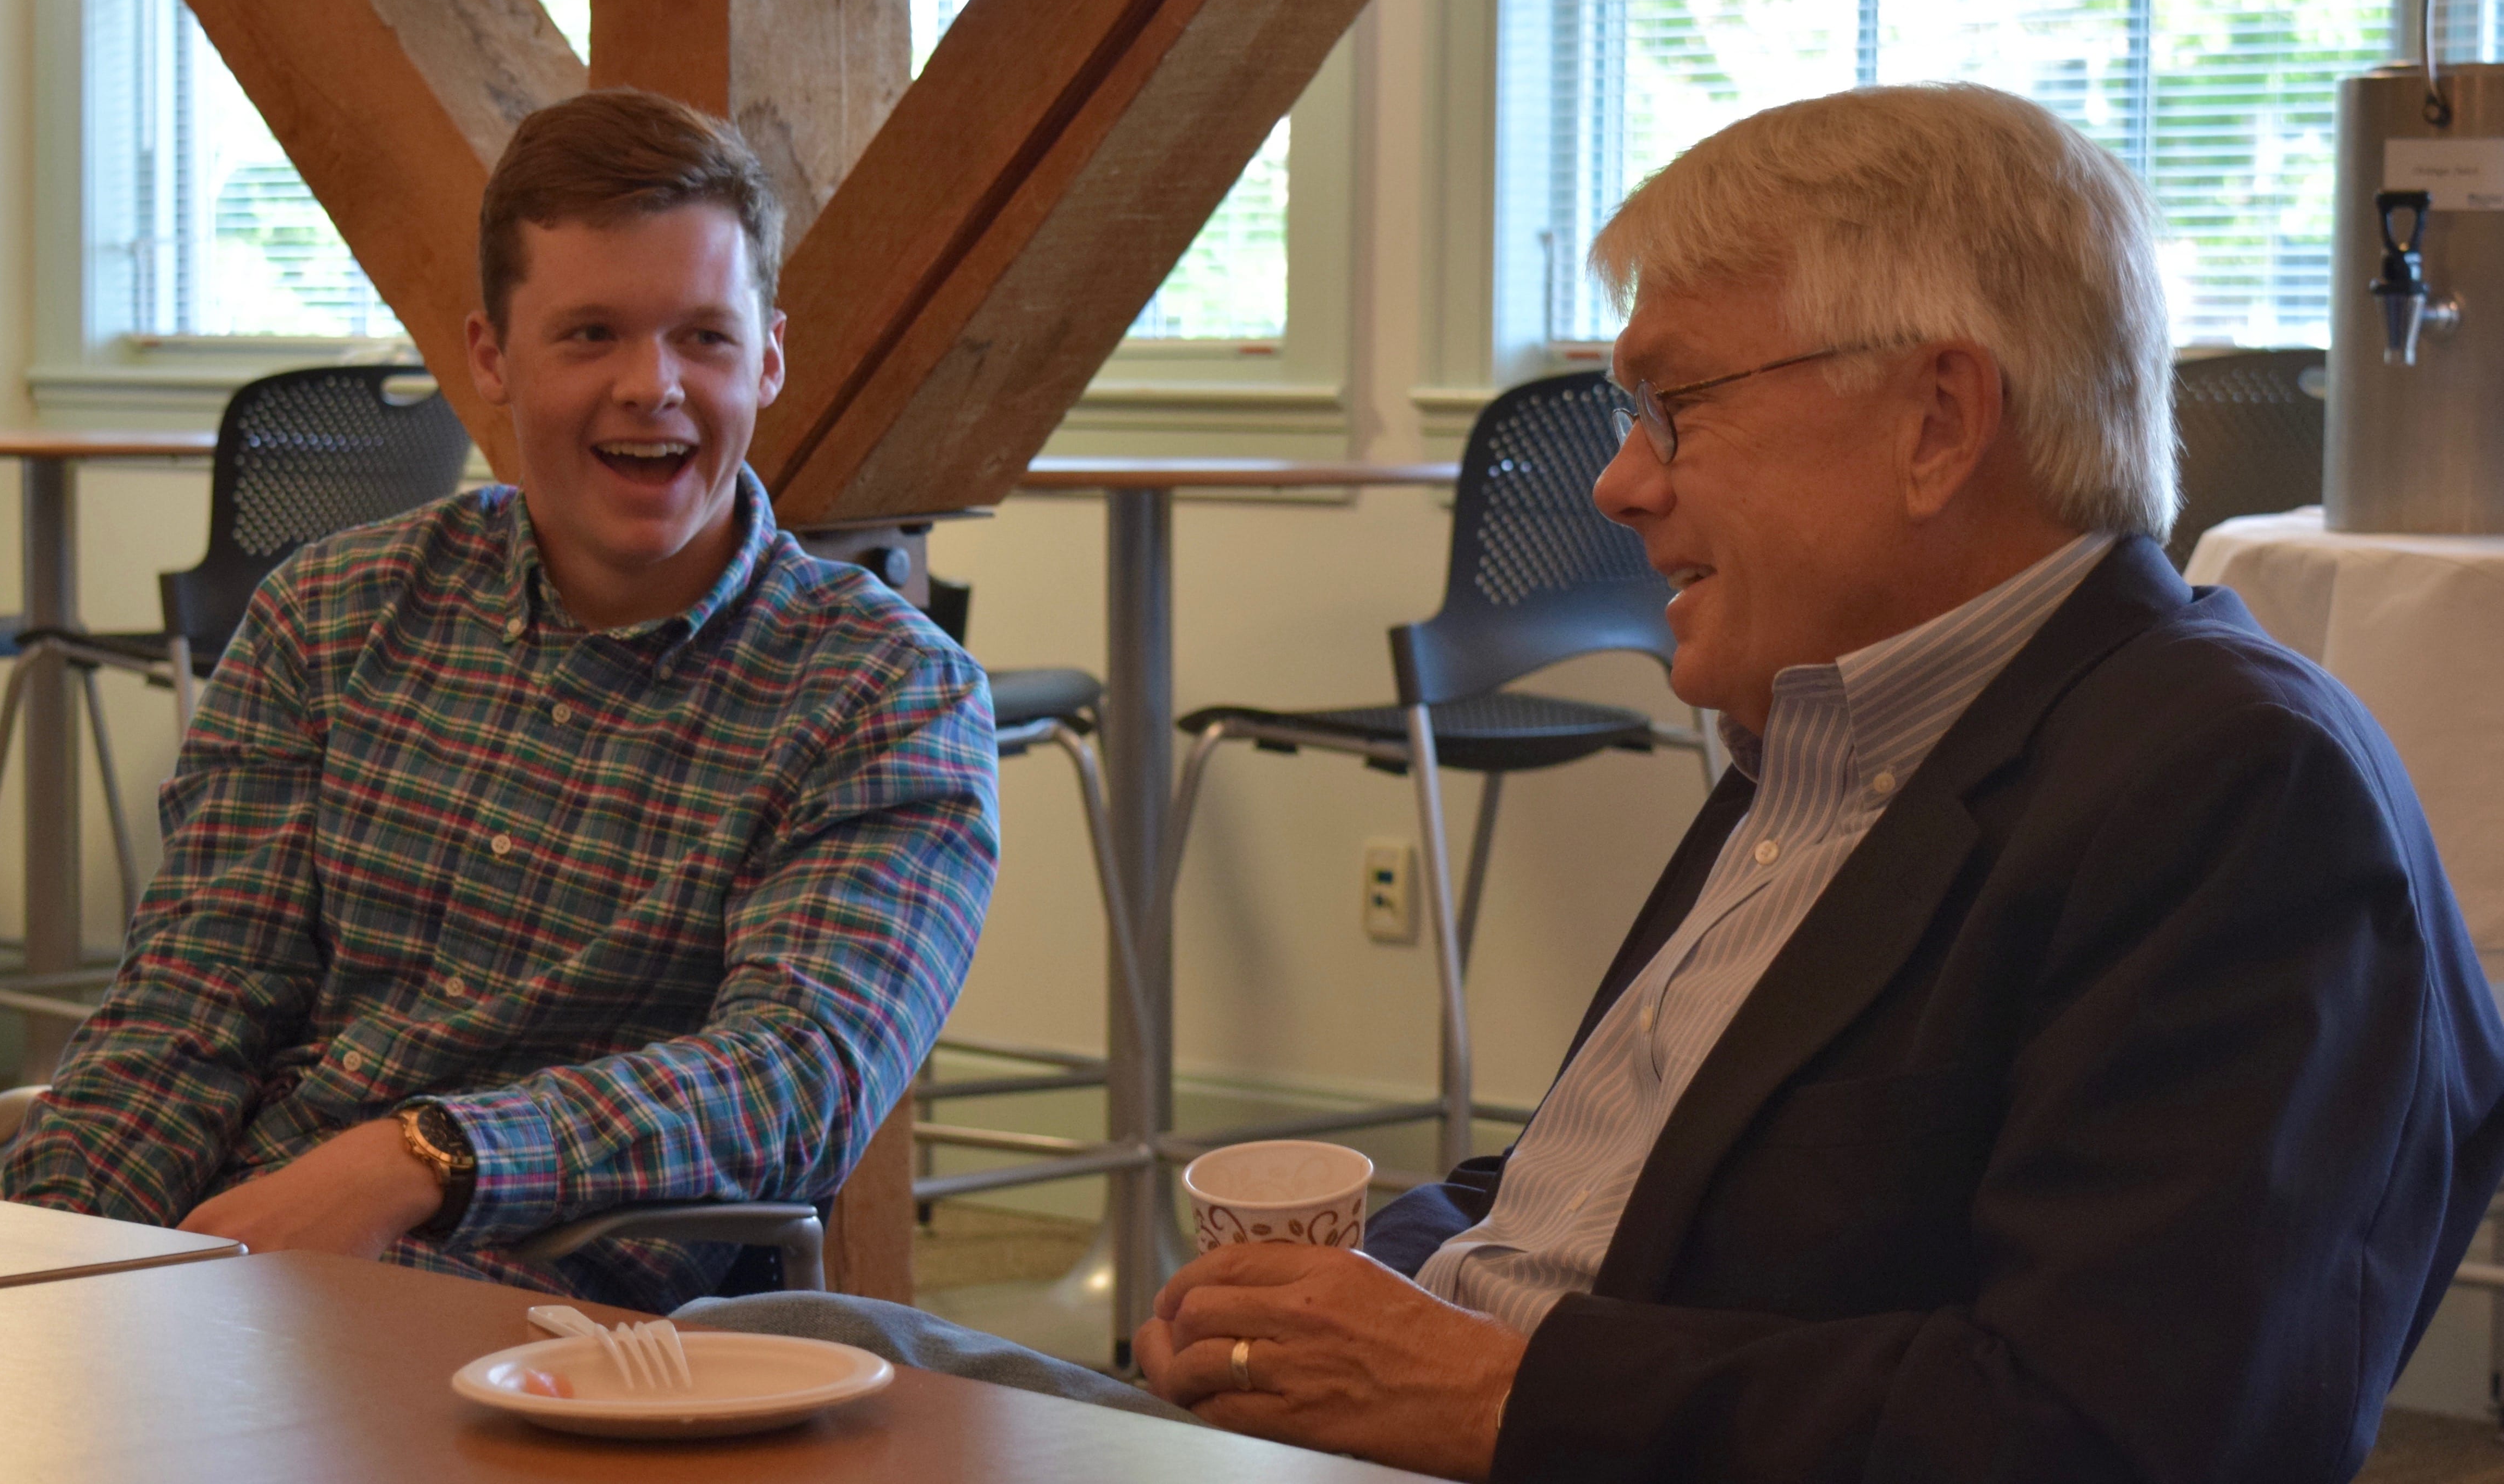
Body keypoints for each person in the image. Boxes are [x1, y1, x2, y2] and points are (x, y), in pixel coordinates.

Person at [696, 82, 2504, 1484]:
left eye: (1671, 407)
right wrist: (1360, 1285)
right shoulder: (1831, 741)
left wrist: (1486, 1387)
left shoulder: (2230, 793)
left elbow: (2131, 1439)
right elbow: (1602, 1191)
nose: (1620, 488)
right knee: (731, 1354)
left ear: (1937, 420)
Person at [0, 89, 1000, 1315]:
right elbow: (190, 1013)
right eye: (589, 336)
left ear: (770, 357)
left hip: (557, 1337)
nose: (653, 387)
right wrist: (29, 1268)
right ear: (490, 355)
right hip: (224, 1281)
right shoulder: (333, 613)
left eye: (704, 338)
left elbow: (795, 1080)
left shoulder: (882, 692)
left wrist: (418, 1159)